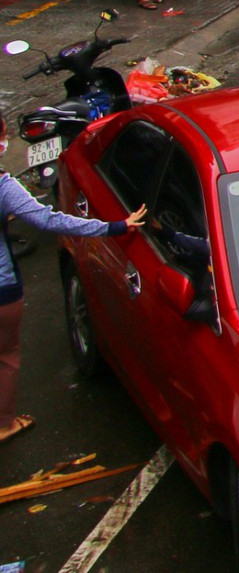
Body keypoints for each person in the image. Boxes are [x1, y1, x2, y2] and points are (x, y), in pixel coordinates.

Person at [0, 135, 144, 445]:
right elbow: (47, 221)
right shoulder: (3, 187)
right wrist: (112, 227)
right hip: (3, 289)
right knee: (6, 357)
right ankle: (4, 425)